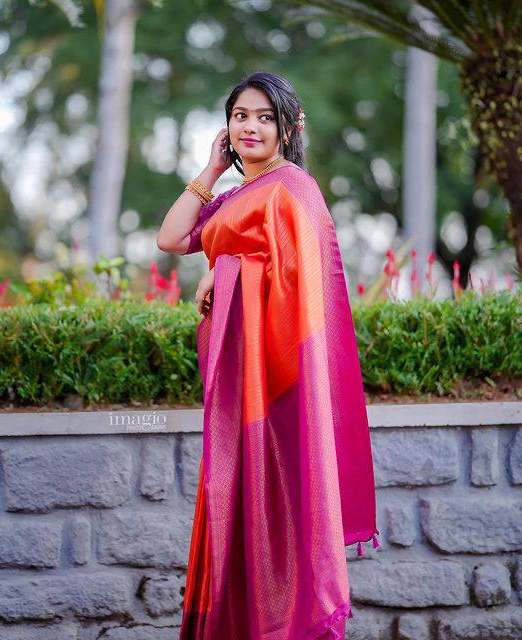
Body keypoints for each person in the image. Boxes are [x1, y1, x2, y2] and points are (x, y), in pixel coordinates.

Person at [158, 71, 379, 640]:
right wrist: (210, 173)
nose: (251, 127)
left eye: (264, 117)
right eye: (240, 116)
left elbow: (306, 296)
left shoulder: (294, 189)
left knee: (276, 510)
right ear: (227, 127)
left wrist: (227, 271)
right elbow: (173, 237)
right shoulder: (236, 195)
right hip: (238, 386)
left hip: (278, 387)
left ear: (287, 126)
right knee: (232, 500)